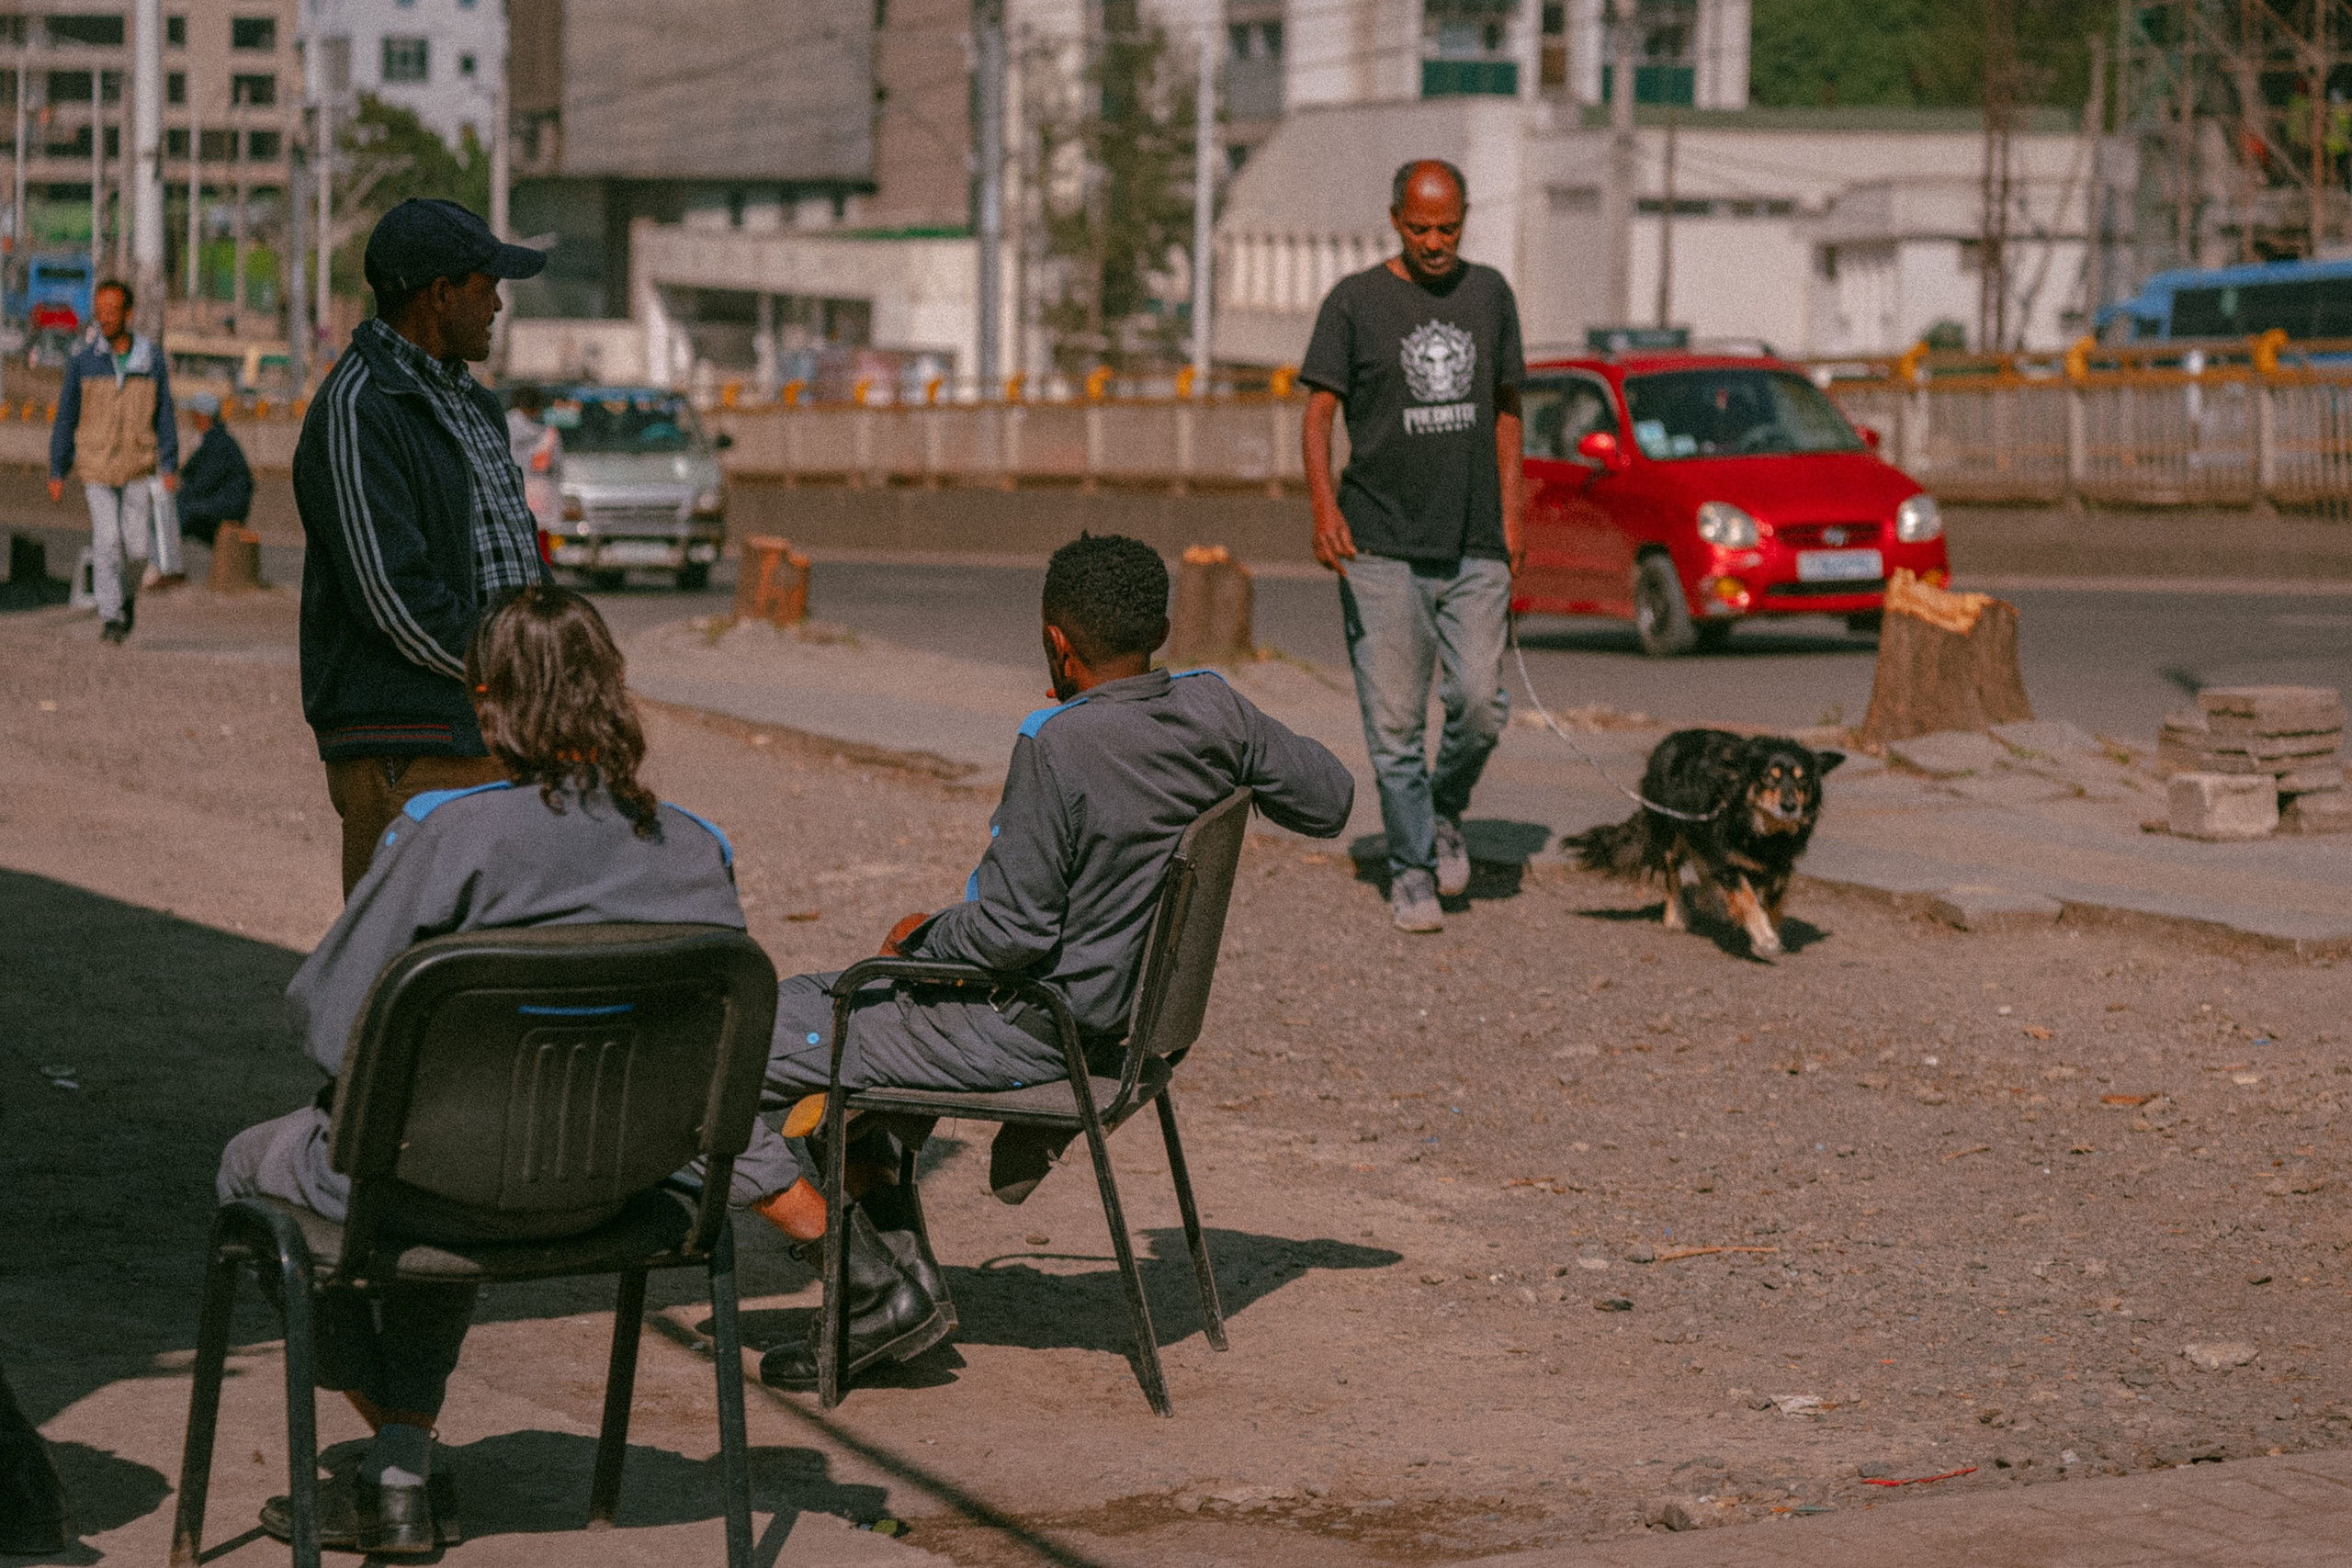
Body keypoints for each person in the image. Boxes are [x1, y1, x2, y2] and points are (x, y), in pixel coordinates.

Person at [719, 533, 1357, 1393]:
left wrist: (918, 939)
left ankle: (876, 1288)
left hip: (1035, 1032)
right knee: (861, 1040)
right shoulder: (1217, 709)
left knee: (746, 1041)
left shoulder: (1056, 744)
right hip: (1132, 1024)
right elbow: (1330, 798)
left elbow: (1010, 936)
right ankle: (888, 1296)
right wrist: (1224, 742)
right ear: (1162, 629)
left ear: (1057, 642)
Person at [219, 586, 744, 1556]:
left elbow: (328, 1027)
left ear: (487, 699)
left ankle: (400, 1451)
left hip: (444, 1188)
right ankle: (400, 1470)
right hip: (626, 1195)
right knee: (449, 1144)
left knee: (262, 1166)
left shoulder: (447, 833)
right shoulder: (695, 849)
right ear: (615, 694)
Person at [291, 197, 551, 897]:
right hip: (412, 747)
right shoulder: (358, 409)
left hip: (497, 731)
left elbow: (513, 555)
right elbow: (395, 601)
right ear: (439, 295)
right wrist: (522, 662)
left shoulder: (477, 405)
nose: (497, 304)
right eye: (485, 285)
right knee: (408, 973)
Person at [1299, 158, 1526, 933]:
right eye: (1422, 227)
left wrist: (1513, 513)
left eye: (1450, 226)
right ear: (1395, 219)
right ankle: (1413, 870)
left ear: (1465, 219)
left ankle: (1445, 810)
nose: (1436, 242)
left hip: (1474, 540)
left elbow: (1505, 408)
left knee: (1480, 705)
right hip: (1379, 544)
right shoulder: (1355, 301)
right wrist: (1324, 506)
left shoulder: (1489, 294)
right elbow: (1317, 415)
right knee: (1395, 727)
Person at [48, 278, 179, 644]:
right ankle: (111, 616)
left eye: (111, 311)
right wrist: (58, 468)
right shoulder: (83, 360)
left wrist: (168, 463)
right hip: (96, 465)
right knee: (107, 542)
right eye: (99, 310)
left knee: (137, 549)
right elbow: (66, 416)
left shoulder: (150, 359)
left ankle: (126, 598)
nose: (104, 318)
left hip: (138, 463)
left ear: (128, 313)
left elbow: (165, 413)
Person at [174, 390, 255, 549]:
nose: (191, 418)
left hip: (228, 505)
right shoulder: (216, 438)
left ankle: (167, 566)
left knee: (178, 512)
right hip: (225, 500)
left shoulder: (218, 443)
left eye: (193, 413)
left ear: (202, 416)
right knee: (178, 507)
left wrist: (178, 494)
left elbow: (204, 482)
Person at [505, 383, 565, 534]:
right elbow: (557, 473)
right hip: (541, 512)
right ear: (538, 407)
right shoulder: (549, 436)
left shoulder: (497, 428)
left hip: (507, 511)